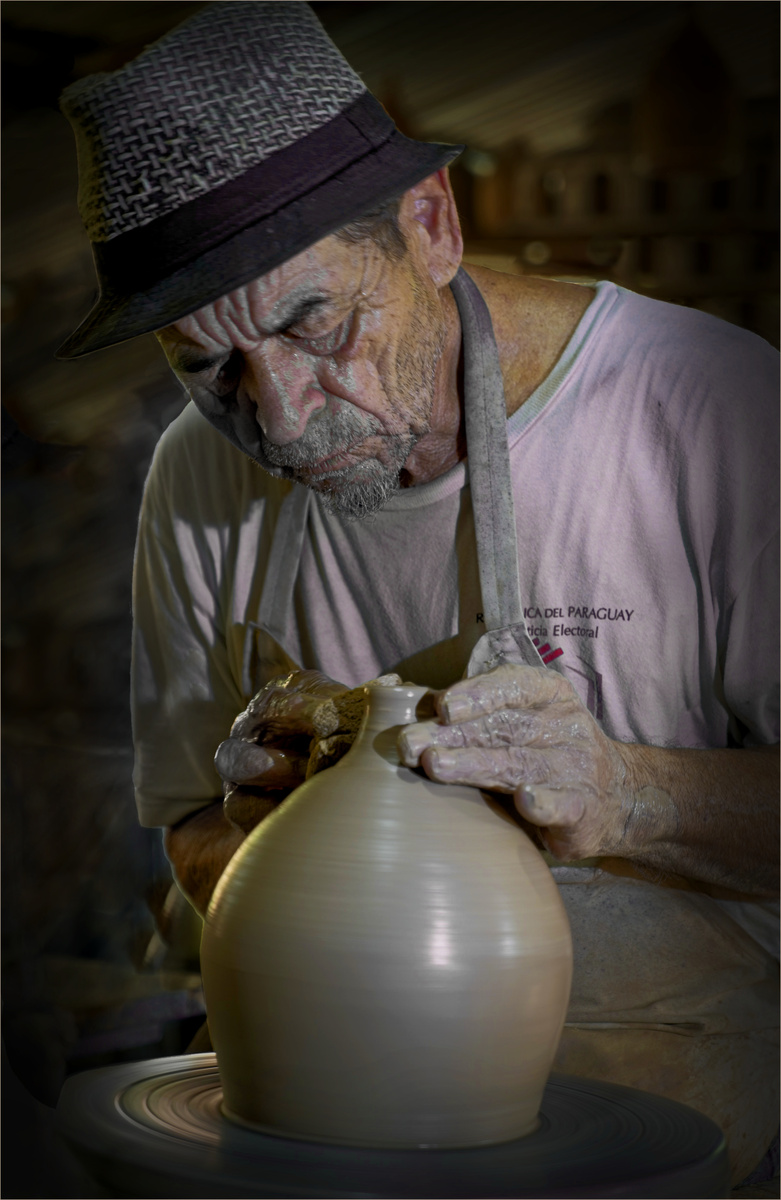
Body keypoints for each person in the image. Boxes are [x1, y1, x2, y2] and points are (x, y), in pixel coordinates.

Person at [57, 2, 778, 1185]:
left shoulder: (710, 411)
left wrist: (630, 795)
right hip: (324, 1115)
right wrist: (270, 843)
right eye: (208, 366)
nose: (280, 417)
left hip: (673, 1113)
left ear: (431, 225)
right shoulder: (194, 476)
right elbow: (188, 823)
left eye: (315, 323)